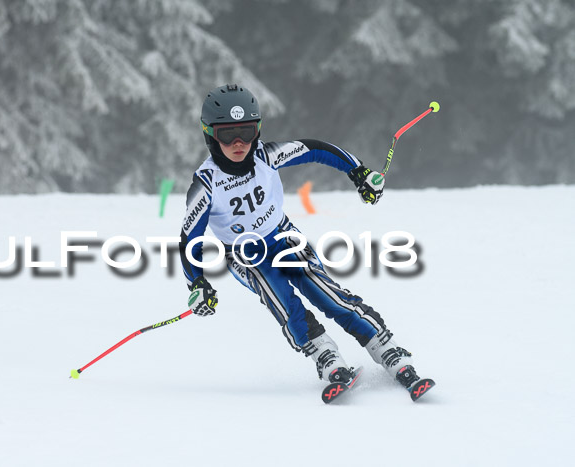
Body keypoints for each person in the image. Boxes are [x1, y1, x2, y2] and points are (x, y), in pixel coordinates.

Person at [179, 83, 428, 393]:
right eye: (228, 134)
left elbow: (315, 149)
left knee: (325, 293)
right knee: (283, 301)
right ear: (210, 135)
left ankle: (384, 346)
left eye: (248, 130)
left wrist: (358, 173)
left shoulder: (265, 156)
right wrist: (198, 283)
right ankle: (324, 355)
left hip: (284, 237)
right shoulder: (206, 184)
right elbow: (190, 238)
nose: (240, 142)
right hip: (244, 256)